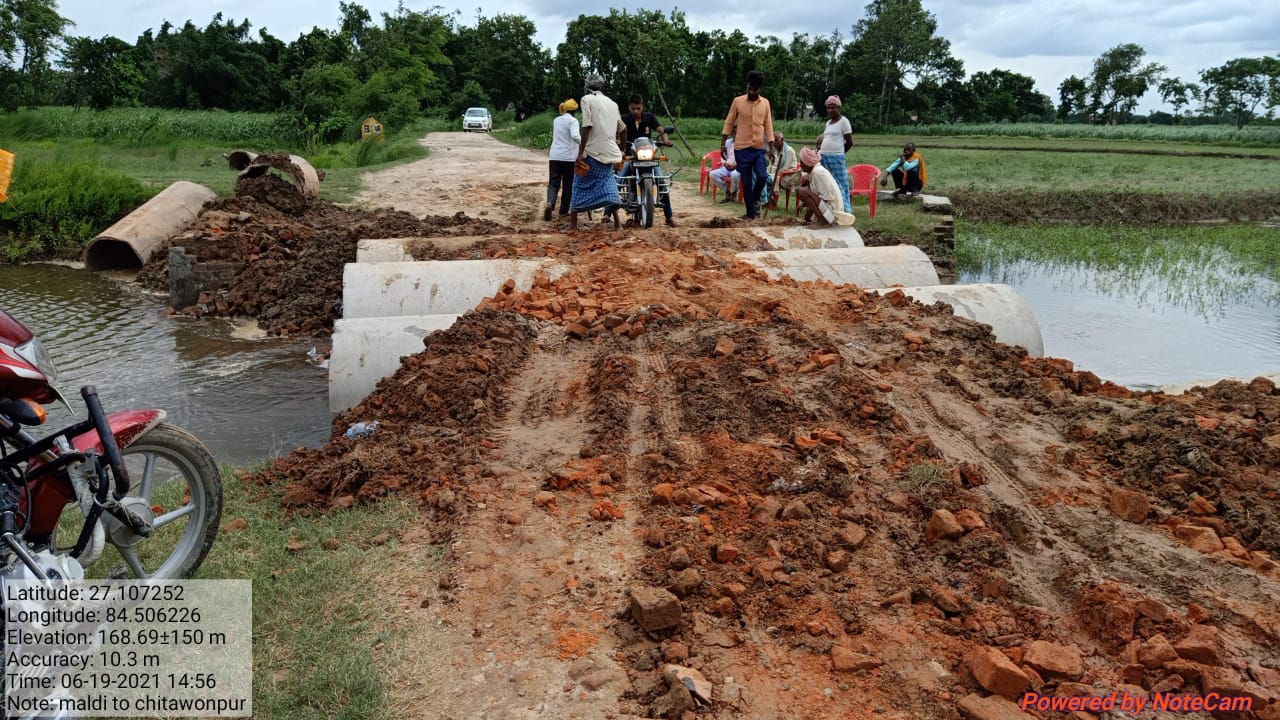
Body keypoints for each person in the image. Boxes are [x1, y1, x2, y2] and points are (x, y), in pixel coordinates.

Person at [570, 74, 626, 231]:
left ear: (587, 87)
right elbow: (623, 129)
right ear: (602, 87)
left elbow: (587, 126)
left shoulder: (586, 99)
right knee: (608, 184)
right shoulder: (612, 104)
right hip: (609, 154)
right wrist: (621, 149)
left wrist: (580, 153)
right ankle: (618, 224)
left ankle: (573, 225)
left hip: (592, 153)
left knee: (579, 185)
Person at [720, 70, 774, 220]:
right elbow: (729, 122)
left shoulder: (765, 103)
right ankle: (751, 213)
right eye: (748, 88)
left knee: (762, 176)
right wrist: (723, 142)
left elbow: (768, 126)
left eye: (754, 89)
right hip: (742, 149)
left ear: (759, 89)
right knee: (747, 181)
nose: (750, 91)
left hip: (758, 149)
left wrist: (771, 147)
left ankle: (755, 199)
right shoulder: (738, 101)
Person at [620, 94, 676, 226]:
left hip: (649, 157)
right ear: (629, 107)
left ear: (642, 107)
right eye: (633, 108)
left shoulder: (650, 117)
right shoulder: (623, 119)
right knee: (618, 180)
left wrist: (666, 139)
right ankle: (608, 213)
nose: (636, 111)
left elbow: (661, 131)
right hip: (631, 157)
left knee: (662, 182)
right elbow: (617, 133)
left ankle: (669, 217)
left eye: (638, 108)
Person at [795, 146, 854, 229]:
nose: (800, 164)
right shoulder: (815, 171)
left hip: (833, 214)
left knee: (801, 191)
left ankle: (823, 221)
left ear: (807, 163)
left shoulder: (818, 173)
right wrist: (806, 209)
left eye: (801, 162)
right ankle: (821, 220)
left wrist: (808, 210)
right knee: (801, 190)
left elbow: (825, 198)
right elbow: (817, 196)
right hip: (828, 210)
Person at [815, 95, 853, 212]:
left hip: (836, 158)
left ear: (838, 107)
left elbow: (849, 142)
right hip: (824, 157)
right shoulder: (828, 123)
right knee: (828, 185)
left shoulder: (844, 121)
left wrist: (839, 153)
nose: (830, 110)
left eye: (833, 107)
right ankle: (831, 210)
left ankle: (845, 210)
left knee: (841, 184)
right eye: (828, 108)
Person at [546, 98, 581, 221]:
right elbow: (575, 136)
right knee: (567, 185)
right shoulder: (573, 121)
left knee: (553, 183)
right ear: (574, 111)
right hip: (569, 158)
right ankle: (563, 211)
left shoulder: (557, 120)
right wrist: (584, 144)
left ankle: (550, 203)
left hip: (555, 156)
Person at [763, 131, 798, 209]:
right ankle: (769, 198)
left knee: (764, 179)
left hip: (785, 176)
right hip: (774, 174)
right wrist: (766, 172)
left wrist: (771, 174)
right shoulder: (774, 150)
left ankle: (767, 198)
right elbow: (771, 165)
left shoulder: (789, 151)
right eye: (773, 140)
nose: (774, 142)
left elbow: (784, 168)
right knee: (760, 176)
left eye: (776, 140)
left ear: (782, 139)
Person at [710, 138, 741, 202]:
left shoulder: (744, 142)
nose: (735, 134)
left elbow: (745, 158)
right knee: (712, 174)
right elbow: (723, 155)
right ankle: (727, 191)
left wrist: (736, 165)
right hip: (727, 166)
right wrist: (725, 163)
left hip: (738, 167)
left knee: (734, 175)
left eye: (737, 132)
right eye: (734, 132)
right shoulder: (728, 142)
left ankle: (734, 192)